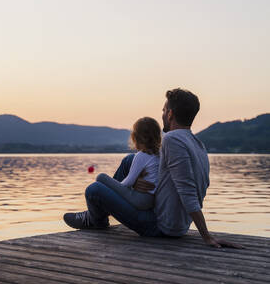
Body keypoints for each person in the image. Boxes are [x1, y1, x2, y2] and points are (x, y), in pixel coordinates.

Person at [63, 88, 243, 248]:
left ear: (171, 114)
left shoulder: (172, 141)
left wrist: (207, 236)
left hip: (161, 226)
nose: (162, 114)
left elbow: (187, 192)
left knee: (94, 189)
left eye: (164, 110)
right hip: (173, 220)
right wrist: (140, 185)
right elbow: (185, 181)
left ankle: (96, 219)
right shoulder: (197, 144)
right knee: (130, 160)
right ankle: (98, 212)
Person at [94, 117, 161, 211]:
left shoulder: (141, 156)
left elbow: (128, 183)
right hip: (152, 200)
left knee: (101, 177)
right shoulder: (160, 154)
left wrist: (116, 188)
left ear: (135, 137)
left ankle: (96, 213)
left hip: (140, 200)